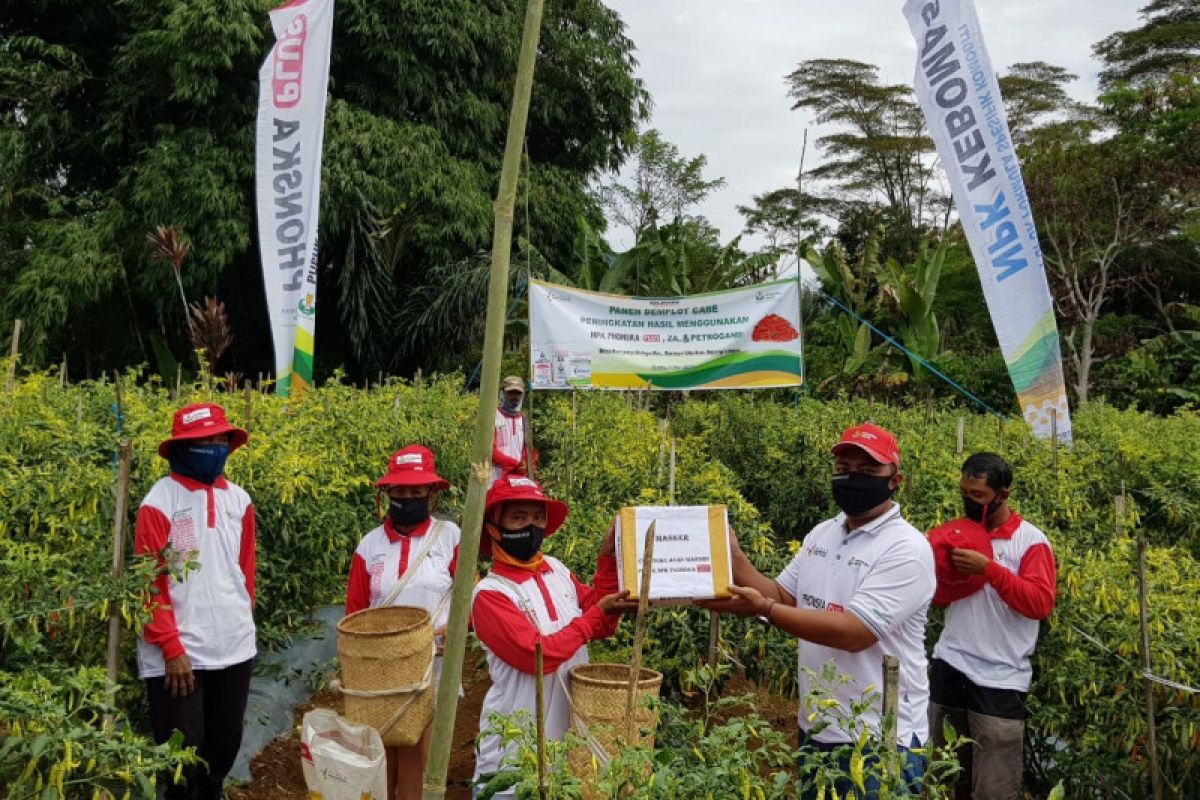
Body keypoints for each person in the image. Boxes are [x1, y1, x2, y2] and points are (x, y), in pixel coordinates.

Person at [703, 423, 935, 799]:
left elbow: (854, 633)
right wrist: (734, 557)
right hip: (818, 726)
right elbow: (784, 594)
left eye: (868, 470)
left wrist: (763, 609)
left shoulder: (906, 549)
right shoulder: (823, 533)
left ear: (896, 480)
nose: (851, 477)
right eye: (843, 468)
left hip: (878, 737)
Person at [470, 475, 628, 797]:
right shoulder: (490, 594)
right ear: (492, 528)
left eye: (537, 517)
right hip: (514, 750)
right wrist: (594, 617)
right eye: (518, 517)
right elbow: (535, 656)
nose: (531, 525)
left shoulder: (556, 570)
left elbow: (601, 621)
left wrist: (608, 558)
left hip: (565, 741)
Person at [135, 402, 256, 800]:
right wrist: (170, 646)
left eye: (218, 439)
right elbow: (149, 583)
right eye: (202, 441)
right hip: (180, 654)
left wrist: (242, 618)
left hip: (233, 646)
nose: (213, 446)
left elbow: (245, 571)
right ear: (181, 448)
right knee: (182, 761)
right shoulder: (159, 502)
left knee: (223, 748)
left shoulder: (239, 500)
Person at [929, 453, 1057, 800]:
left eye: (978, 496)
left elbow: (1039, 603)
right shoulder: (959, 532)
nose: (968, 501)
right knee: (946, 778)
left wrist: (989, 569)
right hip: (951, 666)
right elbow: (938, 596)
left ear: (1004, 494)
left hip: (999, 681)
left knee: (993, 789)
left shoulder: (1030, 542)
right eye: (964, 492)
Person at [345, 445, 462, 800]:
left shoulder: (450, 538)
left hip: (432, 667)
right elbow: (355, 613)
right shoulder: (370, 546)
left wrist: (454, 633)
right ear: (387, 494)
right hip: (381, 673)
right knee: (381, 756)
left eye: (416, 491)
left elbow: (468, 600)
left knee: (418, 756)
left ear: (431, 494)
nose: (407, 498)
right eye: (400, 491)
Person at [491, 376, 532, 485]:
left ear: (522, 395)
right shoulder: (493, 417)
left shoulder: (524, 419)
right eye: (511, 393)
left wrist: (523, 467)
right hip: (495, 477)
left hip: (518, 479)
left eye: (518, 393)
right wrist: (514, 464)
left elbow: (526, 450)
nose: (514, 397)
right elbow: (489, 451)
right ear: (502, 394)